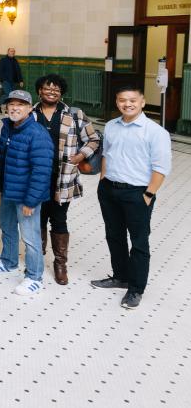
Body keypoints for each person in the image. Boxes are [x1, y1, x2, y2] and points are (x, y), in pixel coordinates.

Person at [91, 84, 171, 310]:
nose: (127, 104)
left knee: (139, 242)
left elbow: (161, 168)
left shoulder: (155, 132)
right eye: (122, 100)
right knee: (114, 235)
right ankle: (120, 276)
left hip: (137, 193)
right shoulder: (111, 126)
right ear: (117, 102)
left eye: (132, 100)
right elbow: (106, 155)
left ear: (142, 102)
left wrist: (148, 194)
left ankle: (136, 289)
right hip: (109, 190)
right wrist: (102, 182)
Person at [32, 74, 102, 285]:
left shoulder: (74, 114)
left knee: (59, 219)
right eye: (47, 88)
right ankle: (36, 260)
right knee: (37, 219)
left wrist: (81, 155)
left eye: (56, 90)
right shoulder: (31, 113)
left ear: (61, 93)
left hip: (63, 177)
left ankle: (60, 264)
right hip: (37, 177)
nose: (52, 92)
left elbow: (93, 138)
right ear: (39, 91)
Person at [0, 89, 53, 296]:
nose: (14, 108)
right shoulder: (8, 128)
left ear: (29, 108)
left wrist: (31, 201)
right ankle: (8, 262)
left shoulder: (37, 134)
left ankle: (35, 277)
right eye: (11, 104)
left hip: (27, 196)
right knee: (7, 226)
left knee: (30, 237)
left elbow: (42, 171)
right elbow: (2, 161)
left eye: (20, 104)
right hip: (9, 190)